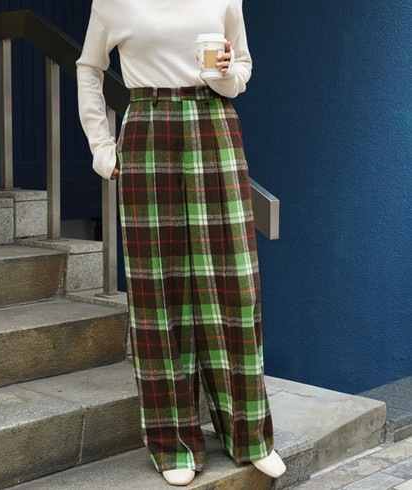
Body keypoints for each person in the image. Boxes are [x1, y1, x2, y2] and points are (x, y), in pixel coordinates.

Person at [77, 0, 286, 486]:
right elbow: (89, 67)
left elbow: (242, 69)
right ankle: (173, 441)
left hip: (215, 125)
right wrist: (102, 147)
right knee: (158, 291)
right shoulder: (111, 2)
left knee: (235, 285)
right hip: (147, 129)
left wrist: (226, 74)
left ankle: (249, 435)